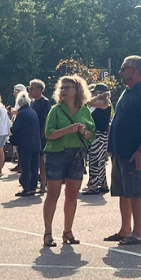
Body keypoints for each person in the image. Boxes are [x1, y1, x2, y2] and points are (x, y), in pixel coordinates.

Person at [106, 56, 141, 246]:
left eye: (123, 68)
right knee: (123, 192)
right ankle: (125, 230)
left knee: (135, 193)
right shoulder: (127, 91)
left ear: (134, 70)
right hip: (120, 152)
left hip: (134, 153)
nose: (120, 71)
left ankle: (137, 233)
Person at [42, 76, 95, 246]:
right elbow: (49, 134)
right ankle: (48, 233)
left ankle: (68, 231)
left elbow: (91, 135)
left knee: (72, 195)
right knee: (53, 194)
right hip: (56, 154)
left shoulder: (84, 110)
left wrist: (84, 131)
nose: (63, 90)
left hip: (77, 155)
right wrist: (68, 129)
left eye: (68, 87)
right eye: (62, 87)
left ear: (77, 91)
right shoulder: (56, 110)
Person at [9, 91, 41, 197]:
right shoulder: (33, 112)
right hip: (36, 143)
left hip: (25, 144)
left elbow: (14, 128)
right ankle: (33, 187)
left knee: (25, 167)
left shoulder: (22, 114)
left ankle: (26, 188)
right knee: (34, 167)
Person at [83, 84, 112, 195]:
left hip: (99, 135)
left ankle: (93, 185)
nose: (93, 94)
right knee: (99, 160)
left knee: (94, 160)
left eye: (95, 92)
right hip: (99, 134)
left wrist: (99, 96)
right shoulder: (100, 103)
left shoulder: (104, 102)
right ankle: (103, 184)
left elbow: (88, 102)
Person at [28, 79, 53, 193]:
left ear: (39, 90)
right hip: (32, 135)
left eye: (31, 88)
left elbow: (47, 119)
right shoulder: (32, 102)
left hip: (40, 136)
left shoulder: (45, 102)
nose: (29, 91)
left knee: (41, 159)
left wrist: (43, 134)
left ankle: (43, 184)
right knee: (35, 159)